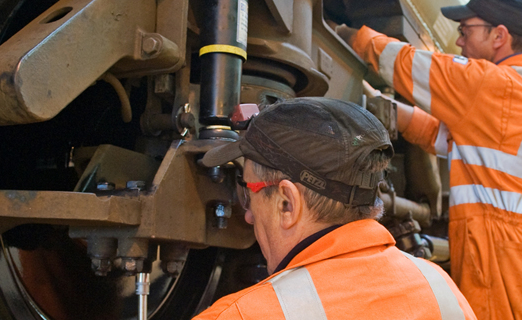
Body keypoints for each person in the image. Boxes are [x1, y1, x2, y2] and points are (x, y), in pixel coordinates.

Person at [333, 0, 522, 319]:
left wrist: (345, 33)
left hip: (507, 271)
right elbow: (446, 137)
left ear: (499, 36)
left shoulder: (495, 85)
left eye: (466, 31)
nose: (460, 40)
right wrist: (389, 110)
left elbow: (407, 63)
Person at [193, 97, 477, 320]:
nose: (248, 214)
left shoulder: (240, 316)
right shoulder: (442, 289)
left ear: (287, 204)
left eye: (248, 192)